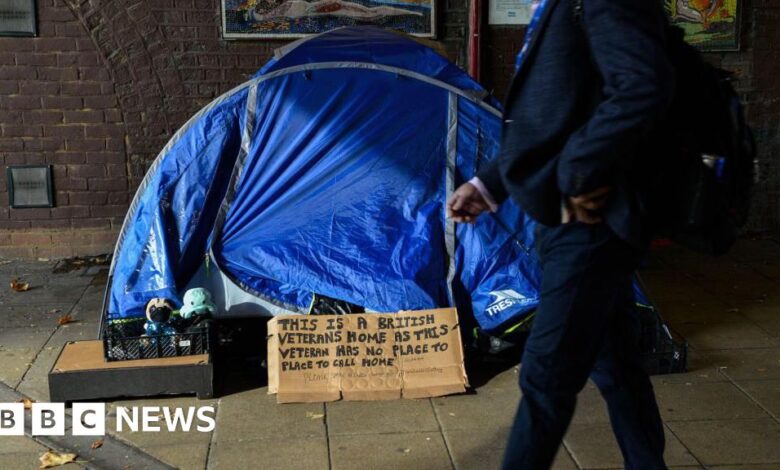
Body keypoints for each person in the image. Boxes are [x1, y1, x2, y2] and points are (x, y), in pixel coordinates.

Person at [447, 0, 674, 468]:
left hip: (590, 219)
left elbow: (643, 86)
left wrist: (578, 172)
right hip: (566, 217)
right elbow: (552, 117)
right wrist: (488, 184)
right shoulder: (559, 6)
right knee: (615, 365)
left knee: (545, 377)